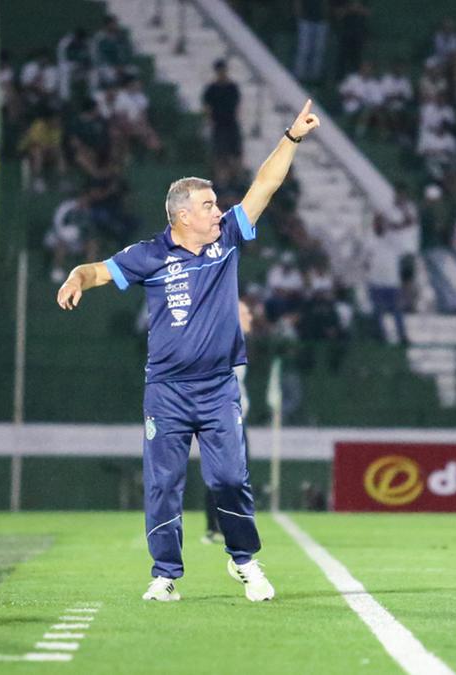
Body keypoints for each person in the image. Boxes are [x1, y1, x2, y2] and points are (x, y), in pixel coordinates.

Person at [55, 99, 321, 602]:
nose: (218, 211)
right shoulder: (149, 255)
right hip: (167, 391)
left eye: (217, 204)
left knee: (228, 478)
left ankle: (245, 562)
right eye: (208, 206)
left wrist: (292, 137)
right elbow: (96, 272)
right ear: (181, 216)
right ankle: (165, 575)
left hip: (218, 386)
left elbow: (265, 185)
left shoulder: (228, 240)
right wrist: (75, 276)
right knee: (163, 485)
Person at [202, 298, 255, 546]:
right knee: (225, 475)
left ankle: (223, 526)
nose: (250, 317)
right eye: (245, 313)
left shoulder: (237, 340)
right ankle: (218, 526)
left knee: (231, 474)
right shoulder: (224, 339)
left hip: (234, 418)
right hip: (223, 418)